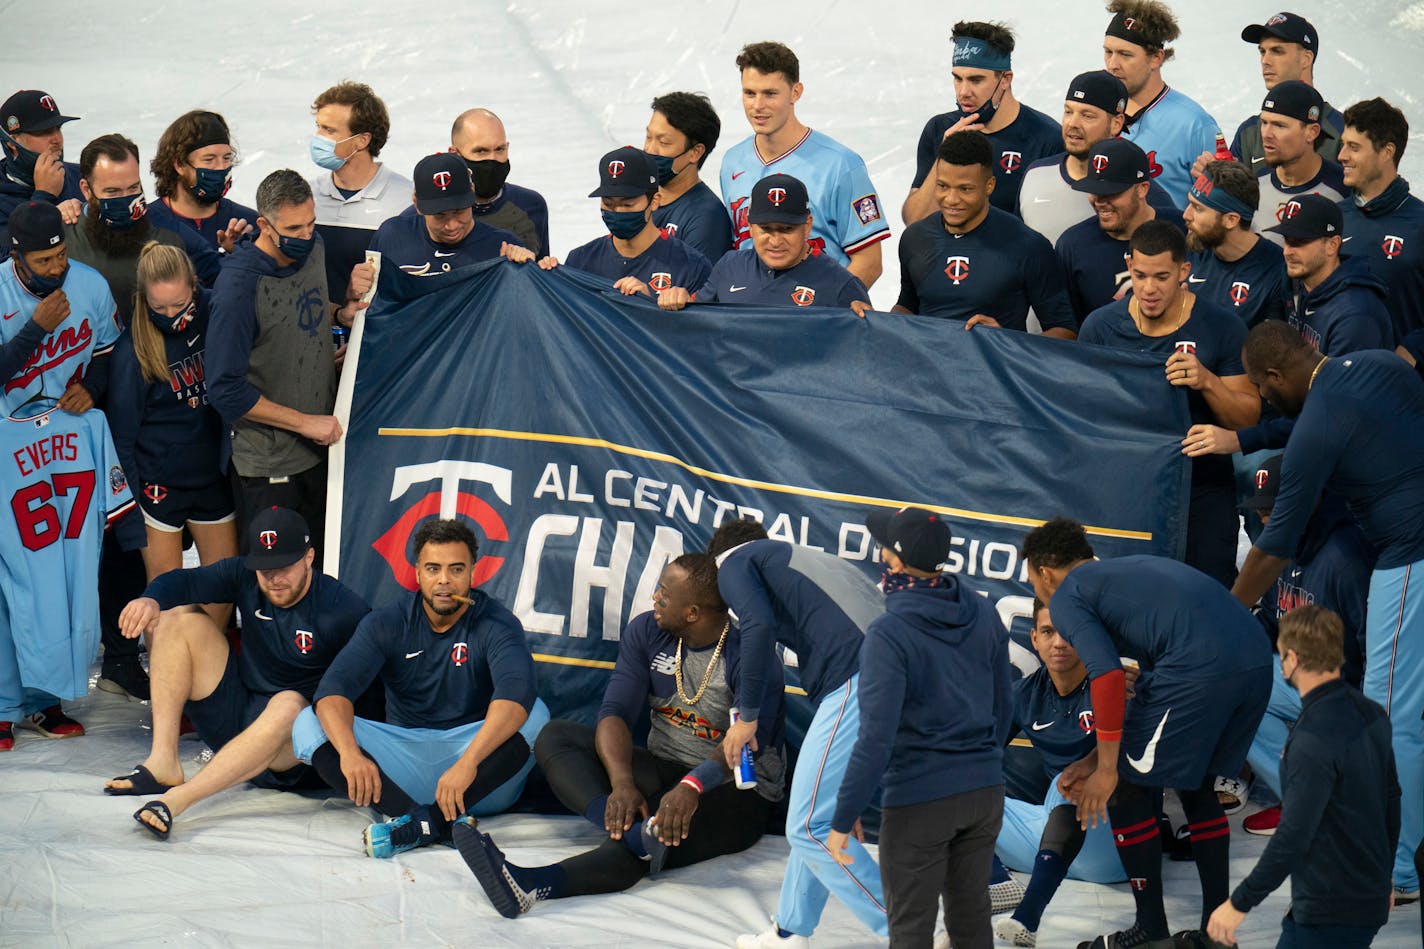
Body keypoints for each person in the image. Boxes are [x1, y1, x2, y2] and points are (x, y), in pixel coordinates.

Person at [453, 554, 786, 916]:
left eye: (663, 595)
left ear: (692, 612)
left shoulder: (751, 659)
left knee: (655, 840)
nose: (654, 600)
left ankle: (532, 883)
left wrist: (690, 787)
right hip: (662, 769)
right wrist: (623, 783)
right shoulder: (648, 631)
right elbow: (614, 713)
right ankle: (631, 832)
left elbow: (740, 753)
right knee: (556, 737)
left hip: (730, 791)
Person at [1231, 320, 1424, 902]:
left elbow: (1275, 544)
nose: (1268, 402)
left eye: (1266, 393)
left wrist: (1226, 610)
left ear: (1274, 375)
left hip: (1410, 554)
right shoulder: (1380, 363)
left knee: (1394, 719)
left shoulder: (1316, 426)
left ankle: (1399, 872)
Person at [1021, 517, 1271, 949]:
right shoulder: (1129, 571)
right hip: (1255, 661)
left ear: (1044, 571)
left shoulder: (1068, 595)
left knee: (1127, 788)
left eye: (1032, 580)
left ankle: (1149, 931)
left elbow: (1107, 676)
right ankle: (1217, 933)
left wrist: (1105, 768)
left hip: (1200, 667)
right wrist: (1096, 759)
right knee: (1198, 788)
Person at [104, 507, 369, 838]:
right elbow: (181, 580)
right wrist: (150, 600)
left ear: (309, 557)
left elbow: (370, 689)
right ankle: (163, 762)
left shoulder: (342, 610)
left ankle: (176, 800)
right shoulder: (244, 576)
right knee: (175, 616)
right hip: (242, 714)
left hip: (293, 753)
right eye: (264, 569)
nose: (274, 579)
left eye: (283, 566)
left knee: (289, 704)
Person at [292, 518, 549, 858]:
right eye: (433, 568)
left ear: (474, 572)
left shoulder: (497, 622)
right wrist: (351, 754)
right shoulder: (388, 621)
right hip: (404, 764)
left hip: (476, 774)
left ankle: (422, 824)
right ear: (417, 573)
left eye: (456, 569)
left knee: (537, 714)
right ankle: (426, 821)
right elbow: (333, 690)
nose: (444, 580)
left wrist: (469, 763)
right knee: (308, 721)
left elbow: (515, 696)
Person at [828, 507, 1011, 949]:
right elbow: (1005, 706)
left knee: (910, 932)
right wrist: (980, 763)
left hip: (919, 803)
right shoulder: (983, 612)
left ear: (894, 560)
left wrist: (844, 815)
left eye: (884, 546)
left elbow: (876, 737)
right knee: (972, 924)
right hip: (985, 793)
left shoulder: (889, 633)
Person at [707, 519, 891, 948]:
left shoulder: (733, 563)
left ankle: (914, 930)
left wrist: (747, 716)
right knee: (819, 817)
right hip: (889, 678)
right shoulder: (809, 559)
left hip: (859, 679)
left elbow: (758, 625)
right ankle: (789, 932)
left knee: (809, 826)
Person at [1, 200, 131, 721]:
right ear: (17, 257)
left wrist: (92, 391)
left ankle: (45, 699)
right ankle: (5, 706)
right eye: (44, 261)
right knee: (11, 582)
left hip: (64, 445)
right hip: (9, 448)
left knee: (60, 579)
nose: (57, 267)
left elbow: (107, 355)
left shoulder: (90, 285)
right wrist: (34, 329)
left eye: (60, 254)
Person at [1206, 605, 1399, 949]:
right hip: (1360, 897)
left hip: (1331, 907)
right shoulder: (1372, 714)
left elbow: (1293, 836)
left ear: (1292, 659)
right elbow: (1391, 802)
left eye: (1280, 656)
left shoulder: (1310, 740)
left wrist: (1239, 903)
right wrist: (1384, 877)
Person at [206, 169, 372, 568]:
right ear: (264, 224)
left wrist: (342, 312)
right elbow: (225, 389)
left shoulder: (313, 247)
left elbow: (306, 310)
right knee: (276, 581)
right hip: (270, 466)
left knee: (318, 575)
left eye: (311, 223)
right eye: (294, 227)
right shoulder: (238, 288)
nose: (306, 234)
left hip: (318, 453)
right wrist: (305, 423)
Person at [1080, 220, 1259, 587]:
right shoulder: (1099, 328)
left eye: (1161, 277)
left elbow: (1247, 417)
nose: (1149, 289)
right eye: (1141, 275)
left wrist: (1207, 381)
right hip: (1124, 490)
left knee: (1206, 595)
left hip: (1203, 490)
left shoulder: (1221, 327)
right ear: (1129, 266)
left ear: (1184, 271)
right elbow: (1080, 416)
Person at [1236, 454, 1375, 836]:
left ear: (1305, 501)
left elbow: (1374, 648)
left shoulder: (1344, 560)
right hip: (1303, 680)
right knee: (1232, 686)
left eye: (1272, 509)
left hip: (1346, 693)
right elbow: (1270, 622)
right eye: (1261, 509)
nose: (1265, 519)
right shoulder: (1281, 547)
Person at [107, 243, 238, 612]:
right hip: (159, 487)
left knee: (221, 596)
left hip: (212, 478)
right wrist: (130, 518)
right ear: (143, 300)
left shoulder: (218, 311)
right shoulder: (132, 350)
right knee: (165, 606)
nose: (170, 315)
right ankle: (168, 671)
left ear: (195, 286)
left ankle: (212, 671)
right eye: (159, 308)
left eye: (179, 305)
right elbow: (121, 440)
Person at [0, 392, 133, 753]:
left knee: (54, 613)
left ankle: (42, 703)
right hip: (31, 542)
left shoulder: (91, 423)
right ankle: (4, 707)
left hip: (65, 548)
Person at [994, 599, 1127, 948]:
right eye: (1048, 632)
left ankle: (1028, 915)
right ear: (1034, 639)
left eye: (1068, 633)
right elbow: (979, 756)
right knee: (961, 798)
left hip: (1111, 845)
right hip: (1052, 842)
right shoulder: (1023, 694)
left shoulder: (1114, 684)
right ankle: (998, 882)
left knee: (1068, 780)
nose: (1059, 643)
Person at [720, 42, 888, 288]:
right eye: (749, 93)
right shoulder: (732, 162)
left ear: (796, 93)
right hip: (751, 313)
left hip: (815, 315)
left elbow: (869, 261)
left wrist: (824, 312)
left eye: (770, 94)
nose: (757, 106)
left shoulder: (841, 165)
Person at [895, 131, 1077, 337]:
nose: (951, 199)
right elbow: (907, 306)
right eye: (943, 186)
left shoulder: (1028, 246)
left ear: (989, 186)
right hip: (929, 367)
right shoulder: (915, 239)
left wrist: (1005, 343)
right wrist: (871, 322)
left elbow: (1065, 331)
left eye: (965, 189)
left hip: (995, 369)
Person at [903, 21, 1060, 225]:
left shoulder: (1047, 139)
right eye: (958, 79)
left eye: (976, 80)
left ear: (1005, 79)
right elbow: (914, 221)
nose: (963, 92)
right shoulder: (939, 129)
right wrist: (945, 155)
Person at [656, 173, 870, 314]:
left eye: (787, 229)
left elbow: (864, 357)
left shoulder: (842, 286)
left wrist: (868, 324)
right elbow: (697, 321)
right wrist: (677, 300)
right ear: (749, 225)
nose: (775, 241)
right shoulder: (730, 265)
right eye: (766, 229)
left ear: (808, 225)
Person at [63, 133, 221, 323]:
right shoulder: (63, 235)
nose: (126, 199)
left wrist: (237, 251)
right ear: (86, 190)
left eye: (133, 188)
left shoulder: (169, 232)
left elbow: (215, 281)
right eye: (112, 191)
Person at [1018, 70, 1178, 247]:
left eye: (1087, 116)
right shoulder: (1035, 174)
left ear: (1116, 123)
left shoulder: (1146, 196)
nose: (1072, 124)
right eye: (1069, 112)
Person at [546, 146, 711, 295]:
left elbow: (698, 325)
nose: (617, 211)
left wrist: (649, 304)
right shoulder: (579, 260)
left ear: (655, 201)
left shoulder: (691, 266)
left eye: (627, 204)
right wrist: (544, 273)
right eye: (608, 204)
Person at [1102, 0, 1218, 209]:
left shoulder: (1194, 124)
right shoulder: (1098, 110)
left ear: (1156, 58)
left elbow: (1219, 205)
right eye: (1108, 52)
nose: (1112, 65)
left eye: (1125, 55)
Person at [1057, 138, 1179, 325]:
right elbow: (1069, 327)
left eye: (1111, 192)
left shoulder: (1182, 229)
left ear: (1142, 189)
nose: (1100, 202)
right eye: (1094, 191)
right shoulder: (1073, 245)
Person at [308, 81, 411, 304]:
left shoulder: (405, 202)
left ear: (362, 140)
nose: (317, 137)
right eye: (318, 126)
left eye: (329, 130)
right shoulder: (307, 197)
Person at [1339, 97, 1424, 342]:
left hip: (1399, 376)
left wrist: (1412, 352)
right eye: (1343, 145)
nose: (1342, 156)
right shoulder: (1335, 216)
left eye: (1354, 147)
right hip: (1336, 372)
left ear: (1387, 151)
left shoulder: (1419, 224)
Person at [369, 153, 530, 277]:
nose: (451, 225)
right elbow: (369, 304)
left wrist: (532, 269)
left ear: (472, 192)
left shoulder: (504, 248)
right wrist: (353, 295)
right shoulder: (391, 237)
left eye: (459, 211)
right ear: (416, 203)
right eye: (439, 215)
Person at [1221, 13, 1344, 172]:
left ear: (1306, 59)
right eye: (1262, 51)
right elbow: (1232, 194)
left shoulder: (1343, 132)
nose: (1265, 61)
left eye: (1277, 51)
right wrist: (1212, 176)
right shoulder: (1249, 132)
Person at [1270, 193, 1392, 353]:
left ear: (1332, 245)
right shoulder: (1297, 284)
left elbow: (1346, 378)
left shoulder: (1355, 314)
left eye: (1299, 242)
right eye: (1286, 240)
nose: (1287, 252)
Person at [1182, 160, 1288, 329]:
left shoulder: (1275, 271)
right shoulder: (1191, 248)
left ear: (1231, 220)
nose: (1186, 215)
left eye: (1198, 208)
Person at [1251, 81, 1347, 248]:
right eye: (1264, 123)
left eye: (1279, 125)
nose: (1266, 134)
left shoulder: (1343, 189)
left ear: (1312, 132)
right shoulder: (1254, 185)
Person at [145, 110, 257, 253]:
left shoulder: (248, 224)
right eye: (209, 160)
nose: (221, 167)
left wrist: (241, 255)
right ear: (179, 165)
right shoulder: (148, 226)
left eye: (227, 158)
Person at [449, 108, 549, 256]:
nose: (492, 159)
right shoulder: (432, 214)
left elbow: (541, 274)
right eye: (481, 151)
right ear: (455, 154)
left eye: (499, 149)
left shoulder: (532, 205)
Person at [645, 92, 733, 261]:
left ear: (695, 152)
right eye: (648, 137)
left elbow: (699, 284)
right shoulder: (637, 198)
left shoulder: (707, 217)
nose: (650, 150)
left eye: (663, 142)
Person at [0, 89, 84, 247]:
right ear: (12, 142)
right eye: (43, 132)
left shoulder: (83, 176)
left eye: (58, 128)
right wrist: (43, 199)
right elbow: (8, 261)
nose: (56, 139)